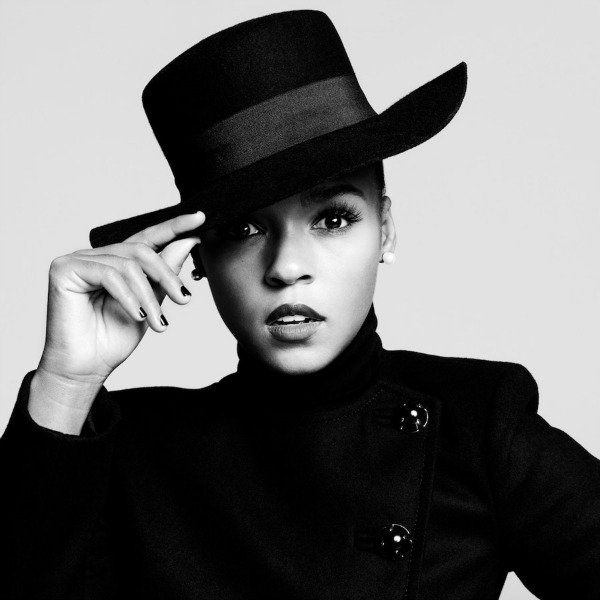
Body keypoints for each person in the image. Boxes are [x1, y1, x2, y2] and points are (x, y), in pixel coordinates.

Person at [1, 9, 599, 600]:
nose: (287, 267)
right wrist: (66, 382)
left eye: (333, 219)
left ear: (385, 230)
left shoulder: (476, 427)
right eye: (244, 229)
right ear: (198, 256)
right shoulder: (131, 452)